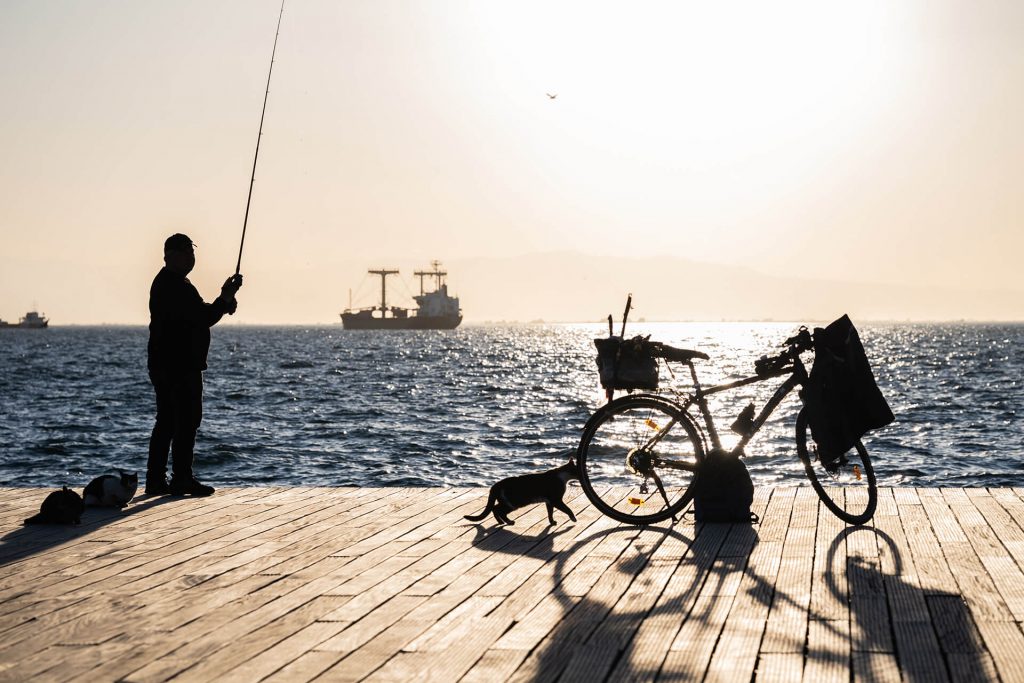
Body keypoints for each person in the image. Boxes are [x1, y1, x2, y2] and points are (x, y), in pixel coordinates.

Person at [146, 233, 242, 496]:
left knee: (167, 420)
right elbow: (203, 317)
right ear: (171, 255)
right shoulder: (174, 286)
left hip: (166, 363)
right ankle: (181, 478)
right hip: (178, 365)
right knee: (185, 420)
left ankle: (156, 480)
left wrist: (224, 301)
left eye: (192, 252)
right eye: (187, 252)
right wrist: (224, 298)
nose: (191, 257)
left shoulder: (174, 283)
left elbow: (203, 314)